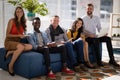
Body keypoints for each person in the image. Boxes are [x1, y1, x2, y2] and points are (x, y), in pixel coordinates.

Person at [4, 6, 33, 76]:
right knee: (21, 47)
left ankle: (11, 52)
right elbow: (7, 35)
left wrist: (24, 36)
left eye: (21, 11)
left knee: (30, 46)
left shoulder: (24, 21)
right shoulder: (11, 21)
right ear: (15, 13)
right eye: (17, 11)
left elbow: (21, 33)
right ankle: (10, 66)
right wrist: (19, 35)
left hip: (17, 42)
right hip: (9, 41)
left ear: (23, 12)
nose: (19, 13)